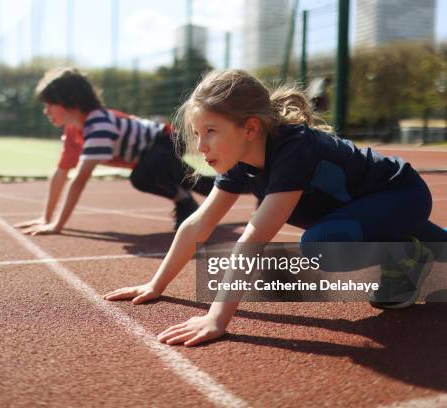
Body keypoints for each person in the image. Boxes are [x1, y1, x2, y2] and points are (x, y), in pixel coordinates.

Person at [104, 69, 447, 347]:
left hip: (399, 196)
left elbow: (252, 239)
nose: (200, 145)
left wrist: (217, 317)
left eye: (210, 131)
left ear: (250, 127)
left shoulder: (292, 148)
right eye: (196, 133)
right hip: (366, 214)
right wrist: (156, 284)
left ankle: (407, 256)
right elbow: (198, 224)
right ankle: (417, 250)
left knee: (321, 246)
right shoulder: (241, 160)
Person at [15, 67, 214, 234]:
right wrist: (46, 217)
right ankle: (241, 183)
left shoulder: (99, 125)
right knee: (195, 182)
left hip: (166, 140)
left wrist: (57, 225)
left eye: (50, 104)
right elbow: (61, 173)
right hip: (151, 152)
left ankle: (184, 201)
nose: (45, 111)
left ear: (70, 103)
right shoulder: (73, 131)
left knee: (142, 177)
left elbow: (79, 180)